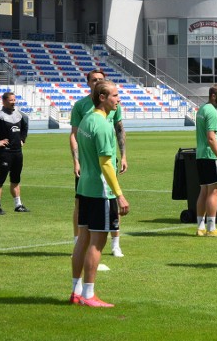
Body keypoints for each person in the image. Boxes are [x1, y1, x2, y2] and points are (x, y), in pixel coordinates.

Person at [69, 80, 130, 307]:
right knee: (97, 242)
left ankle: (76, 291)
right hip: (100, 191)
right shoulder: (103, 125)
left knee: (82, 239)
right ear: (102, 98)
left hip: (84, 187)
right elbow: (106, 164)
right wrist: (119, 194)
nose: (118, 99)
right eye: (114, 95)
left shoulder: (87, 120)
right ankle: (88, 295)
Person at [195, 84, 217, 238]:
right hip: (211, 156)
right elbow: (211, 137)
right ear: (213, 96)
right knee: (214, 192)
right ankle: (212, 228)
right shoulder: (213, 113)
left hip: (201, 156)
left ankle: (200, 227)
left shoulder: (202, 109)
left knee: (203, 191)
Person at [0, 91, 29, 214]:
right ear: (4, 101)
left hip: (17, 153)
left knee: (15, 179)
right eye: (11, 100)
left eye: (14, 100)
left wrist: (22, 139)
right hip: (4, 153)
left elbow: (25, 127)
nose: (14, 102)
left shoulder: (19, 115)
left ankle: (18, 205)